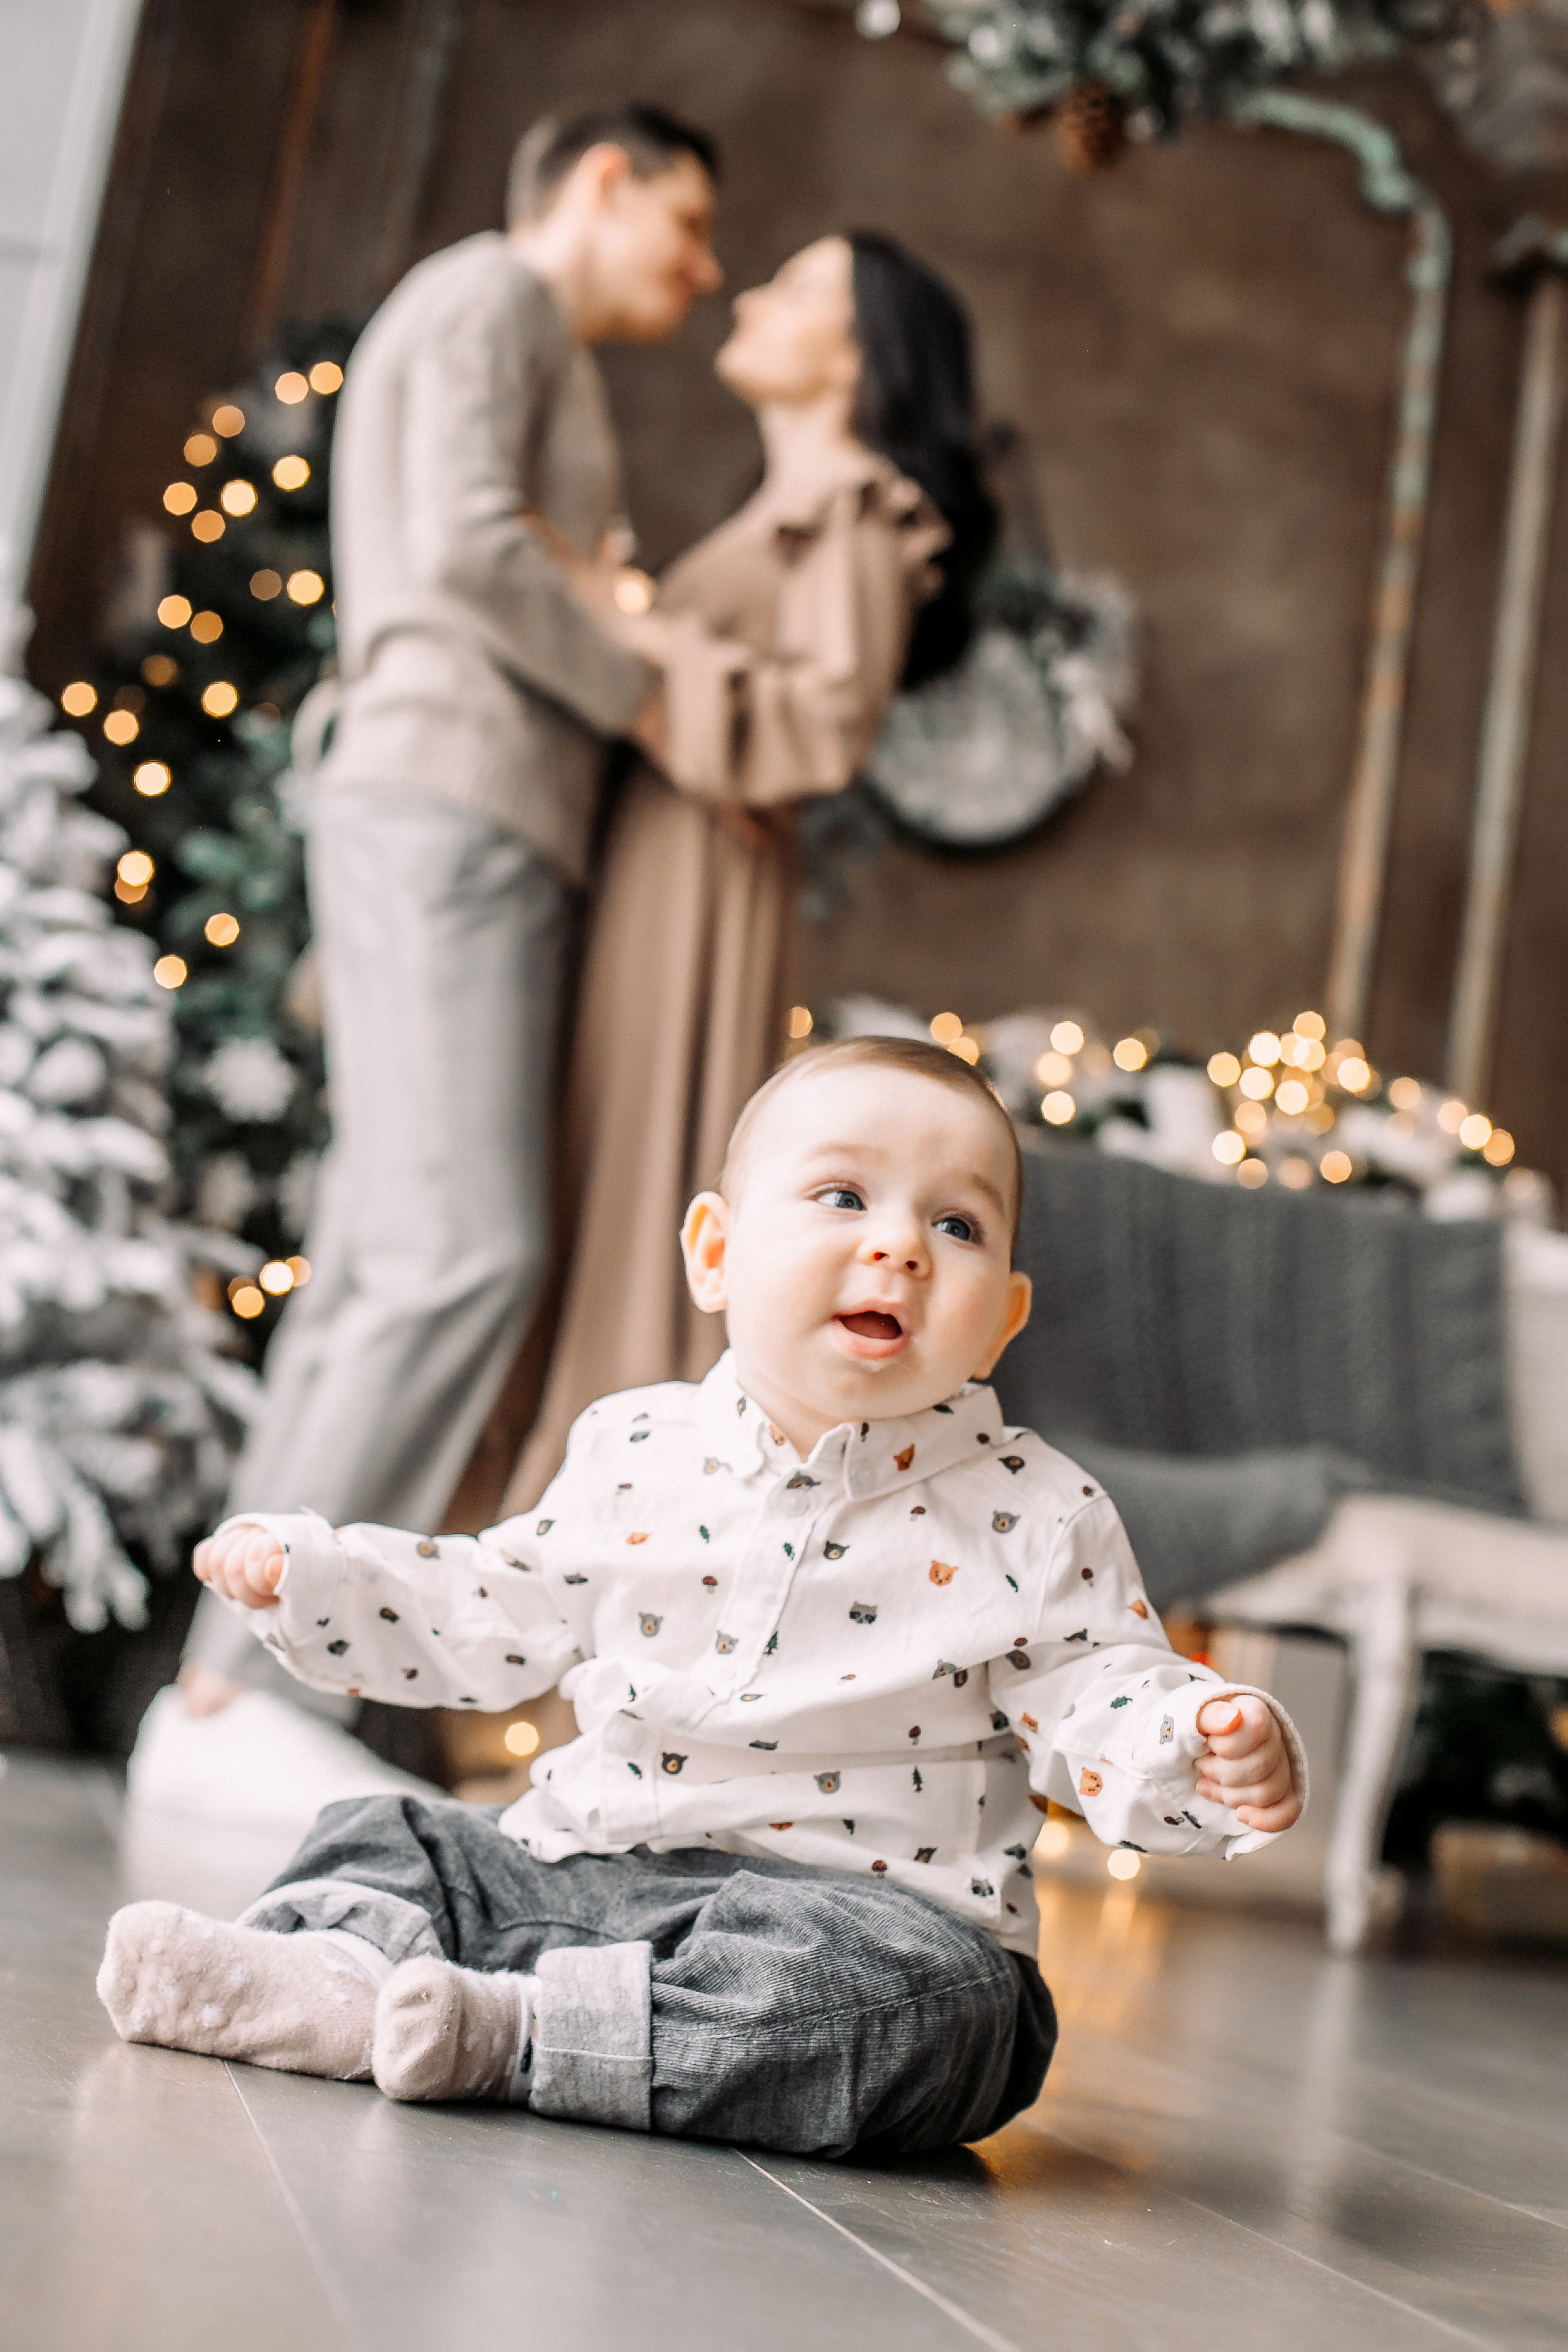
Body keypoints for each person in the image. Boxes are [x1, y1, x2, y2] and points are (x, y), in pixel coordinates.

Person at [99, 1039, 1305, 2158]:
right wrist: (324, 1577)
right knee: (397, 1834)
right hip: (590, 1873)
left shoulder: (1037, 1513)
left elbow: (1099, 1688)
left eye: (956, 1223)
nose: (901, 1246)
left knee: (944, 2009)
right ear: (715, 1253)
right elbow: (497, 1604)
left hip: (859, 1920)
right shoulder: (632, 1447)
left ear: (1003, 1318)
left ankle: (517, 2035)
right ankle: (321, 1985)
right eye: (844, 1196)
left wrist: (1191, 1742)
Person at [140, 107, 723, 1821]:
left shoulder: (511, 324)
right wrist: (647, 680)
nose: (700, 275)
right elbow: (472, 548)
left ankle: (224, 1688)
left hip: (453, 804)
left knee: (385, 1259)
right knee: (466, 1251)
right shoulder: (493, 298)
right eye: (687, 227)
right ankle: (247, 1693)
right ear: (602, 183)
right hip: (449, 796)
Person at [496, 230, 997, 1513]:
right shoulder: (793, 510)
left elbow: (822, 728)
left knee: (636, 1189)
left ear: (861, 356)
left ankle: (604, 1541)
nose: (756, 297)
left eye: (800, 288)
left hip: (698, 879)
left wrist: (631, 626)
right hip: (665, 855)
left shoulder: (861, 511)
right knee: (599, 1175)